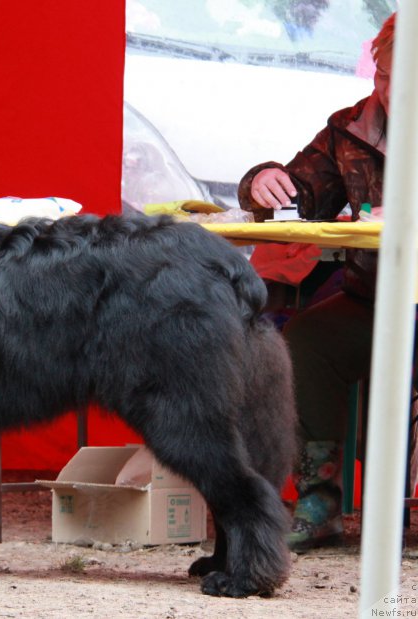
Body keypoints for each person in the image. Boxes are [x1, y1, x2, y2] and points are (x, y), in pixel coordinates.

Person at [237, 12, 396, 552]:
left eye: (406, 79)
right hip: (374, 299)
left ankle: (397, 502)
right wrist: (262, 181)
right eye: (383, 77)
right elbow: (299, 194)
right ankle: (319, 503)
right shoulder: (349, 128)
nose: (389, 91)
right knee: (304, 341)